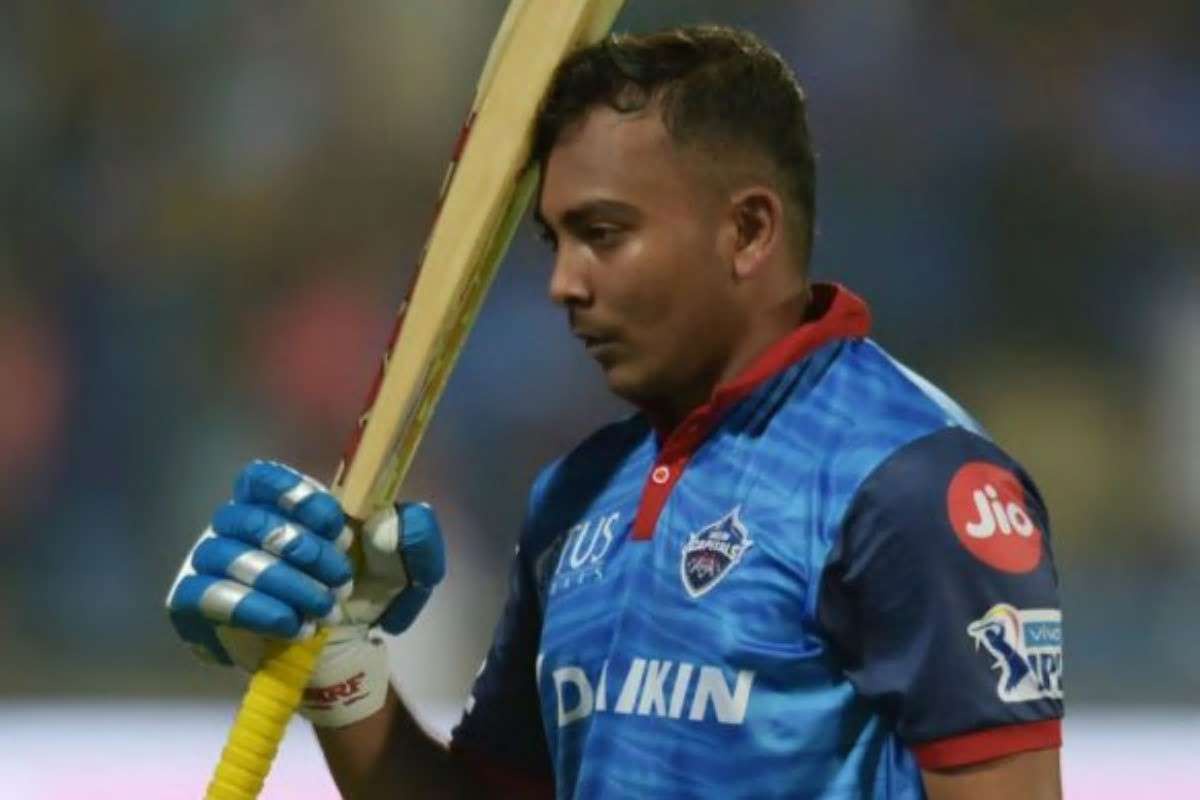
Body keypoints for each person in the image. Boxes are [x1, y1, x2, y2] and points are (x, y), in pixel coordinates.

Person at [167, 25, 1064, 800]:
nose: (563, 283)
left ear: (749, 230)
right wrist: (342, 675)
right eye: (554, 241)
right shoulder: (577, 493)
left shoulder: (914, 484)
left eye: (603, 234)